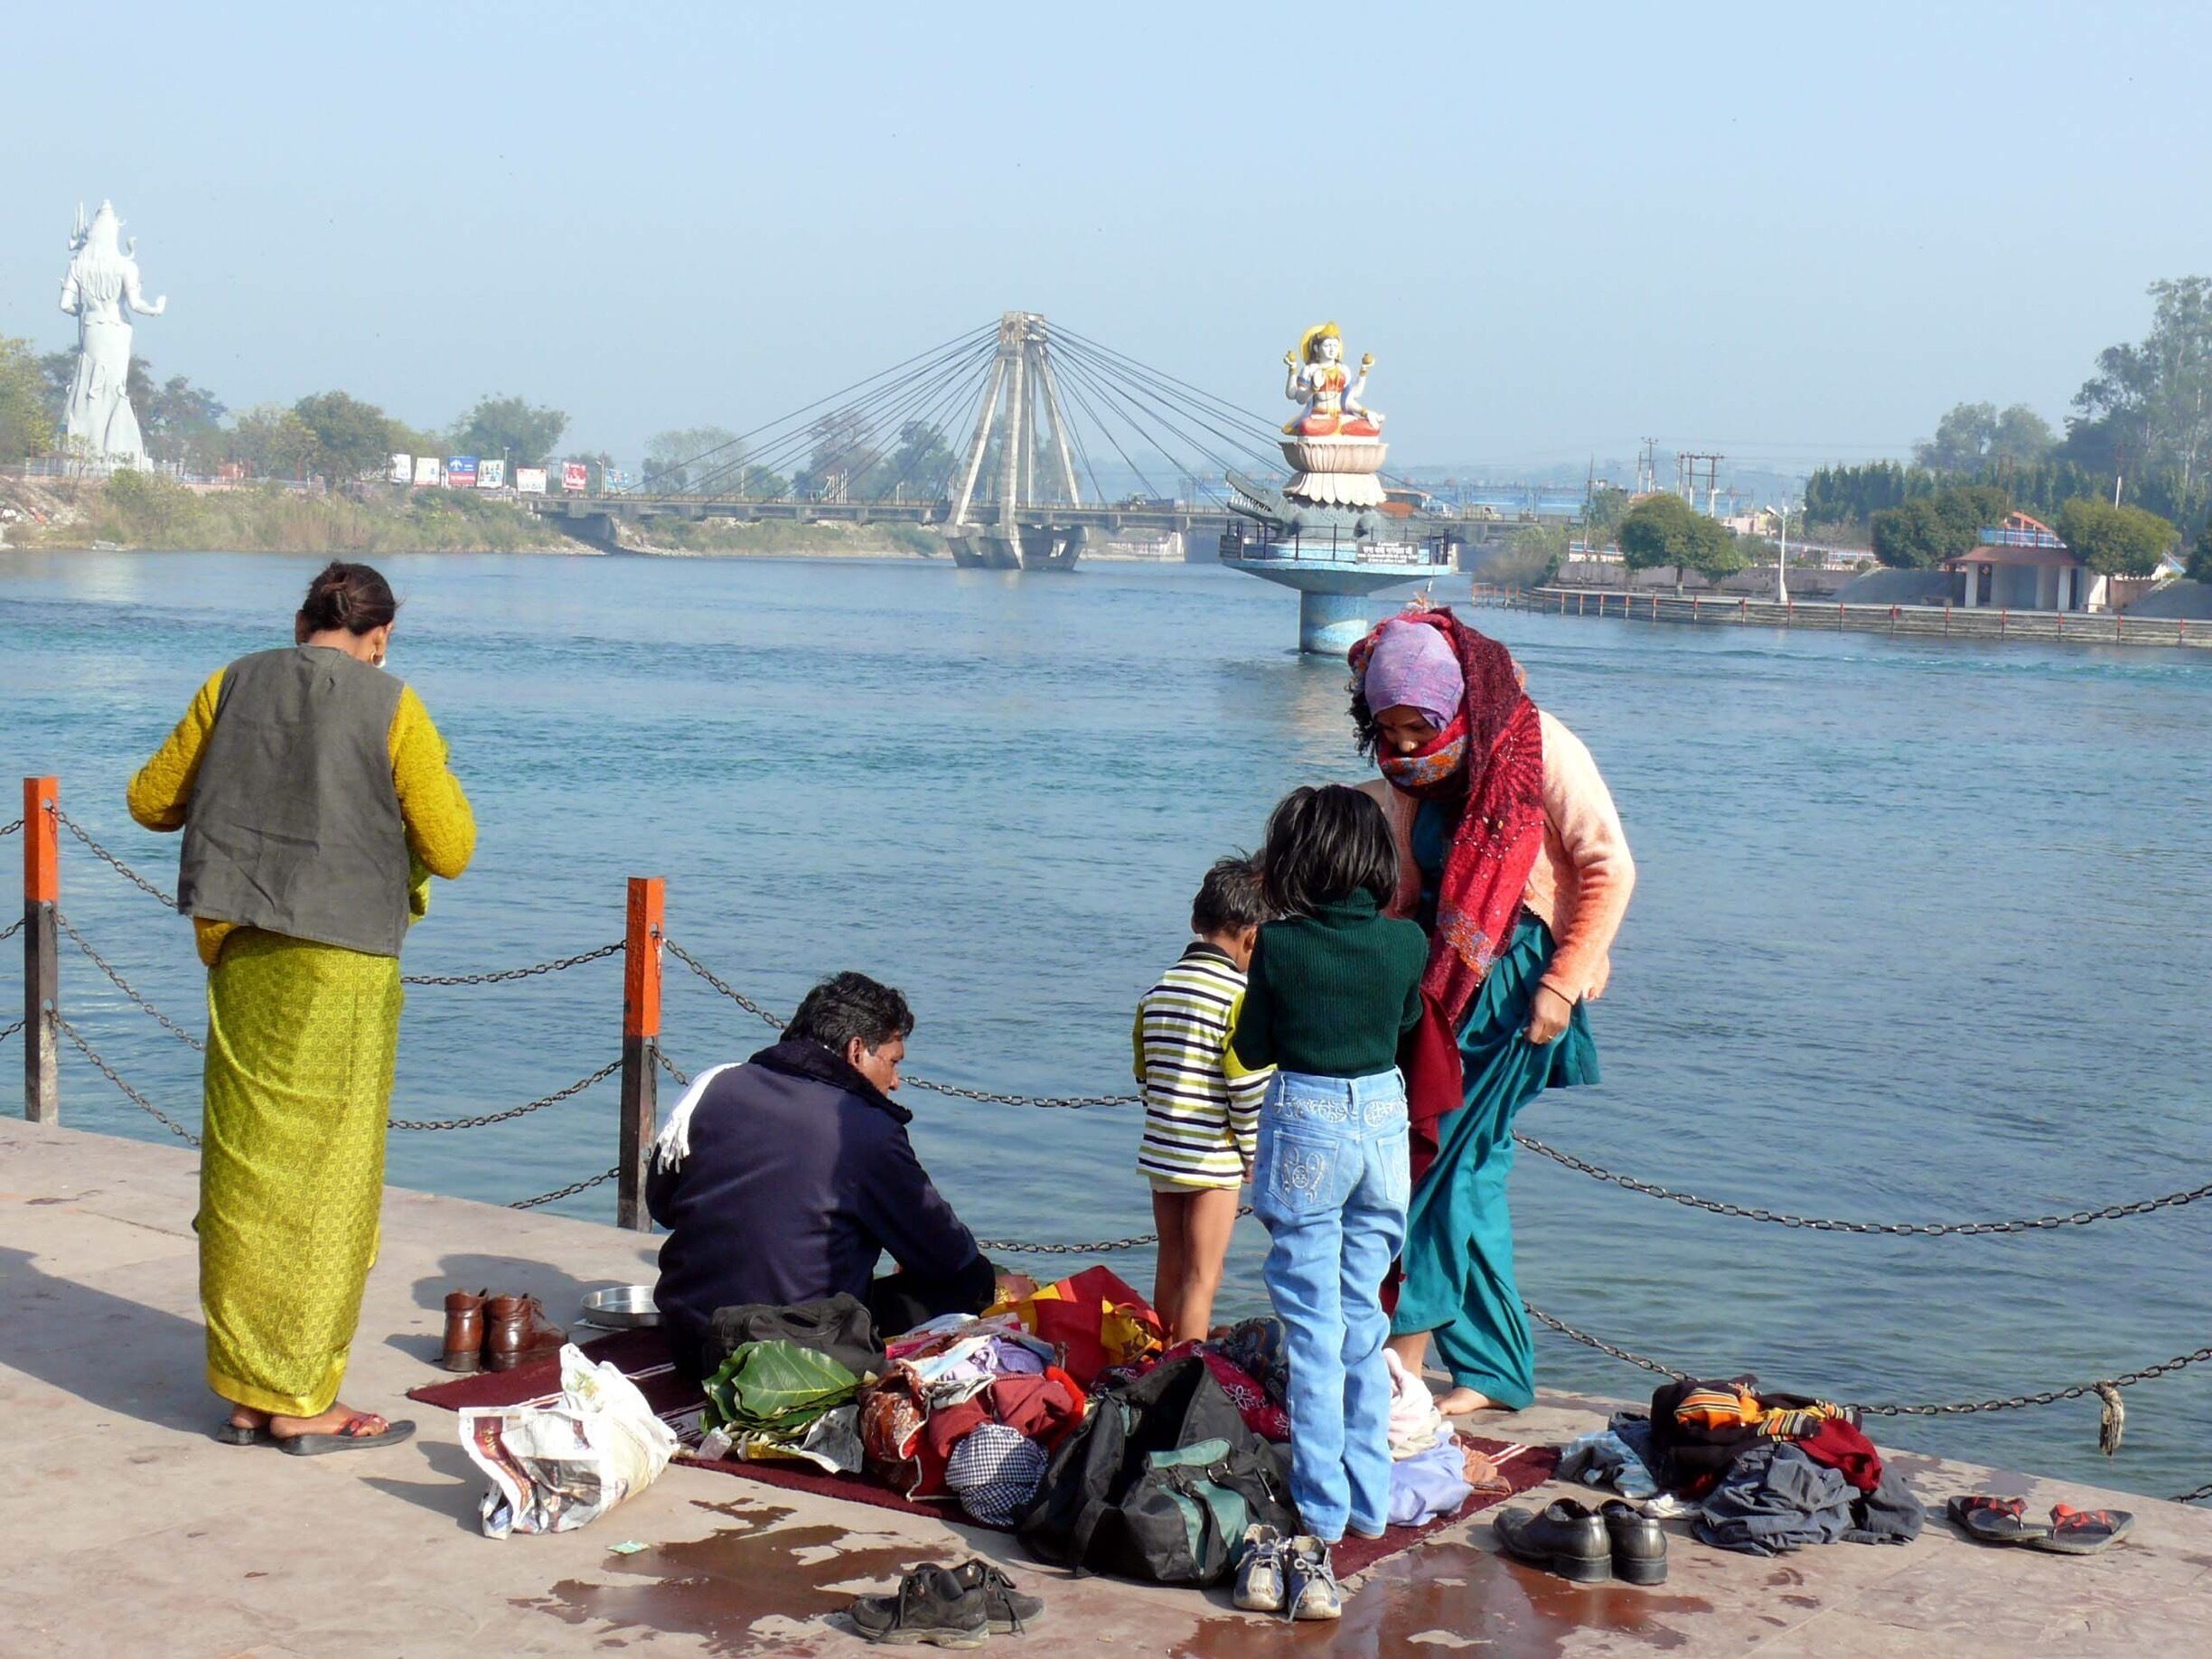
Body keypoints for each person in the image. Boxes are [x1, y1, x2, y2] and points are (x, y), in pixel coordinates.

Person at [127, 560, 475, 1453]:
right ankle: (298, 1400)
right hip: (342, 967)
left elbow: (150, 800)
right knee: (327, 1182)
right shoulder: (392, 702)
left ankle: (247, 1390)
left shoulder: (229, 682)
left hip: (243, 956)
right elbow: (452, 843)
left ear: (299, 622)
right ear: (380, 635)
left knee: (245, 1172)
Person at [1348, 608, 1634, 1417]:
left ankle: (1401, 1370)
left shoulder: (1538, 746)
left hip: (1519, 994)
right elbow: (1406, 888)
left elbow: (1609, 867)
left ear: (1453, 703)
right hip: (1445, 997)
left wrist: (1560, 986)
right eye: (1390, 731)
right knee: (1470, 1174)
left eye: (1419, 729)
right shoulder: (1412, 779)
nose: (1405, 749)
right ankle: (1497, 1370)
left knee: (1432, 1172)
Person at [1230, 786, 1429, 1579]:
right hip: (1382, 1122)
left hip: (1308, 1116)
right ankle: (1369, 1500)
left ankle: (1320, 1506)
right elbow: (1408, 1024)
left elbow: (1251, 1047)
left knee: (1311, 1329)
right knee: (1363, 1318)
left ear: (1297, 862)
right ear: (1375, 860)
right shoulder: (1405, 942)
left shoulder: (1279, 946)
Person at [647, 971, 997, 1379]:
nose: (896, 1082)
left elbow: (662, 1204)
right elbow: (950, 1257)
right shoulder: (864, 1129)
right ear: (856, 1051)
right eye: (894, 1062)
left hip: (691, 1340)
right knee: (972, 1282)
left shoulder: (713, 1085)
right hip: (789, 1355)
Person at [1133, 855, 1273, 1345]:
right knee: (1203, 1276)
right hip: (1213, 1156)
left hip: (1162, 1148)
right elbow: (1245, 1084)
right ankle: (1185, 1370)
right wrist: (1253, 1153)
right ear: (1252, 935)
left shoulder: (1158, 991)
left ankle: (1158, 1354)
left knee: (1170, 1263)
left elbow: (1145, 1077)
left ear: (1198, 921)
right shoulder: (1239, 994)